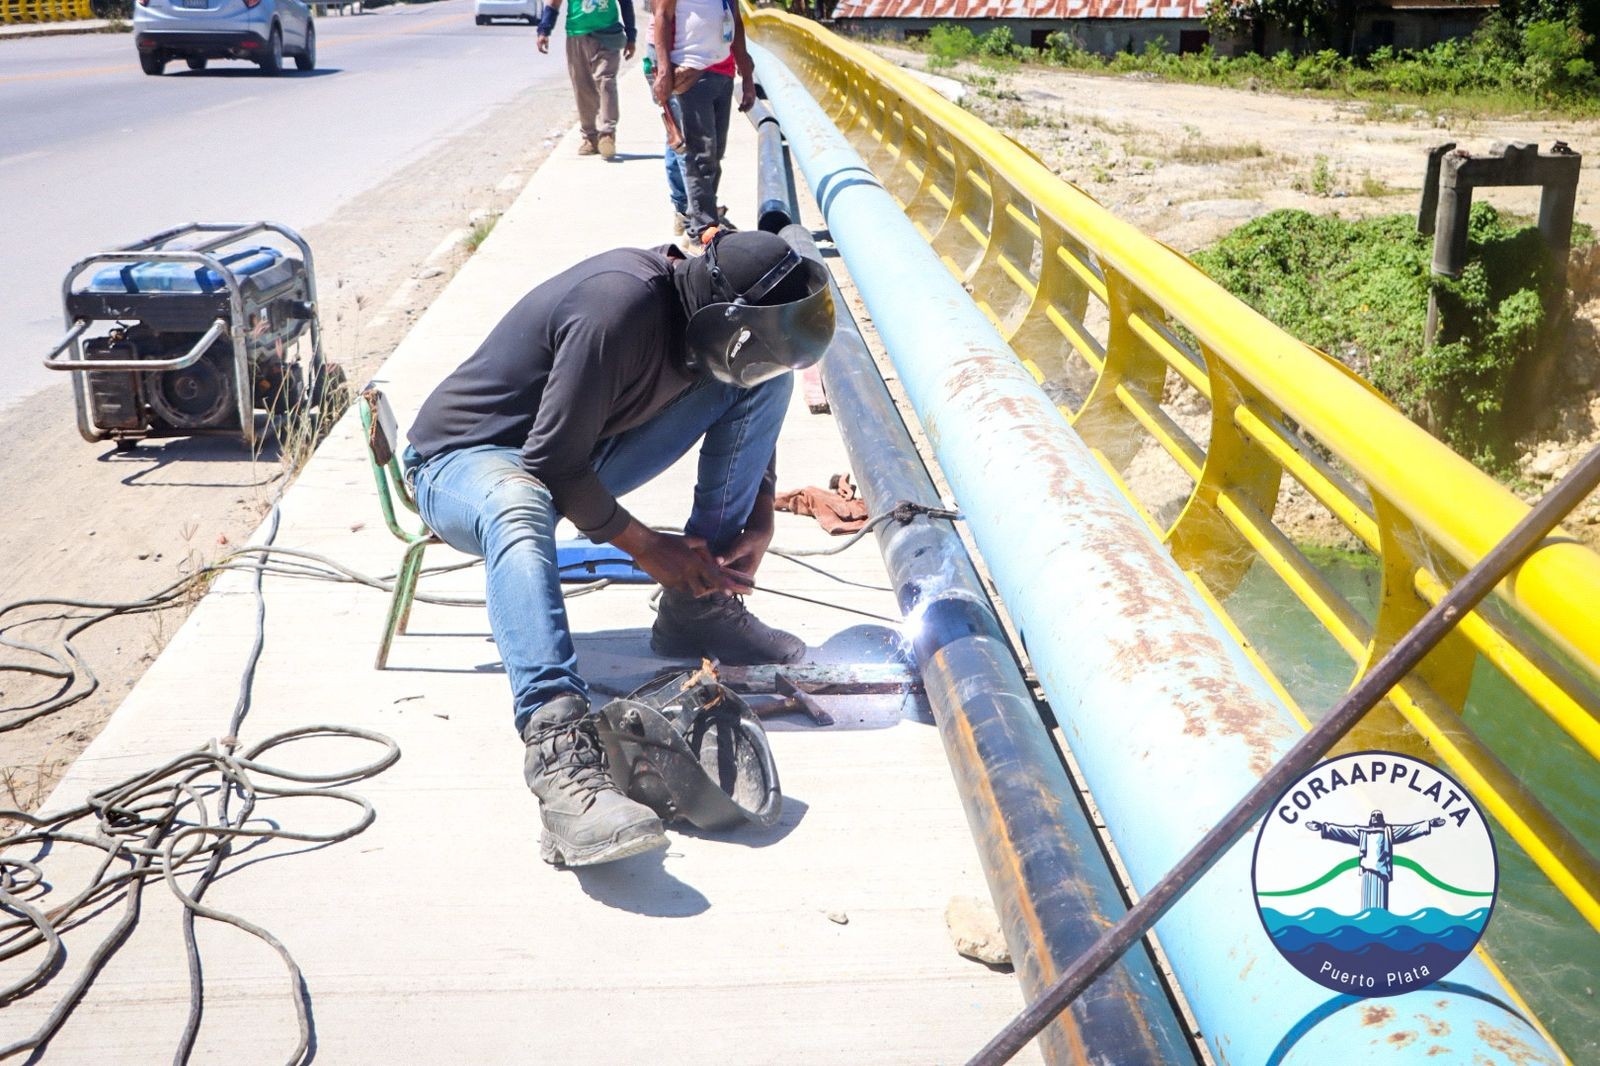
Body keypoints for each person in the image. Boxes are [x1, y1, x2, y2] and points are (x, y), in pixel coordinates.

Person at [403, 231, 835, 867]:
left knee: (760, 386)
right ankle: (558, 752)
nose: (755, 358)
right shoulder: (616, 309)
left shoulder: (702, 328)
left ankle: (699, 607)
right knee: (521, 506)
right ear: (727, 325)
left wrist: (760, 513)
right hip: (466, 462)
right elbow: (550, 462)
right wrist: (646, 547)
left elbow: (570, 456)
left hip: (583, 448)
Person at [650, 0, 755, 245]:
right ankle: (703, 230)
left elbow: (735, 20)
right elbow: (662, 16)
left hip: (723, 73)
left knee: (716, 154)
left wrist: (747, 76)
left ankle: (701, 222)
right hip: (690, 72)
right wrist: (664, 70)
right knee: (699, 156)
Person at [537, 0, 638, 159]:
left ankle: (607, 133)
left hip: (608, 34)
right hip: (577, 34)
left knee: (606, 80)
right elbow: (554, 3)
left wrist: (631, 36)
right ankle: (590, 137)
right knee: (582, 86)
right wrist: (544, 30)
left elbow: (625, 3)